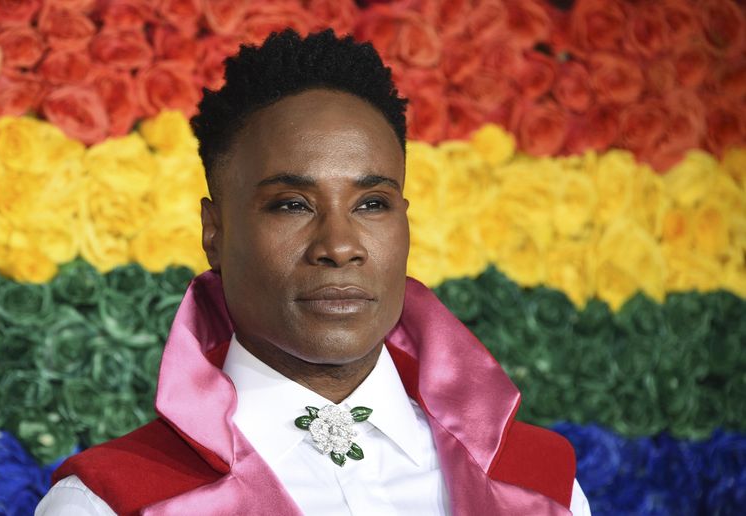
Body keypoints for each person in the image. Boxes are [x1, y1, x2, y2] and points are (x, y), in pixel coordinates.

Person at [36, 29, 591, 515]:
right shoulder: (110, 504)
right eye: (291, 204)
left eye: (372, 204)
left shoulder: (542, 488)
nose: (340, 246)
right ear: (215, 232)